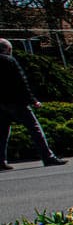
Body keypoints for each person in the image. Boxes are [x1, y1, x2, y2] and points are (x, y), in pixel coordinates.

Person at [0, 39, 65, 169]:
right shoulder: (9, 61)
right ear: (7, 49)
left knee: (2, 133)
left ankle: (1, 161)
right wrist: (33, 100)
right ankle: (48, 157)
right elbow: (21, 82)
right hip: (16, 102)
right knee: (35, 129)